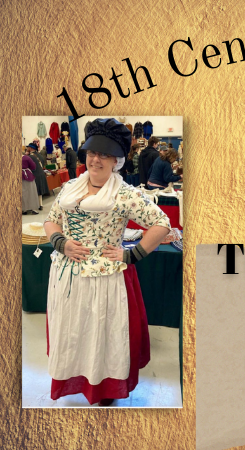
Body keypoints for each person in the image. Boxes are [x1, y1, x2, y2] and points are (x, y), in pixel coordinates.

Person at [43, 118, 171, 406]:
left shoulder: (124, 194)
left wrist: (132, 254)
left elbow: (161, 223)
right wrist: (61, 243)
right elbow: (51, 221)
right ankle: (78, 379)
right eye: (91, 153)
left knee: (103, 333)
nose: (95, 159)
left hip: (106, 277)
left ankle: (104, 390)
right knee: (75, 330)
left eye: (103, 154)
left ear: (117, 161)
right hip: (68, 276)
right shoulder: (70, 188)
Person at [22, 148, 39, 215]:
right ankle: (33, 208)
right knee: (31, 192)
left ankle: (24, 209)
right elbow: (33, 166)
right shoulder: (26, 158)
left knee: (22, 193)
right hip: (27, 176)